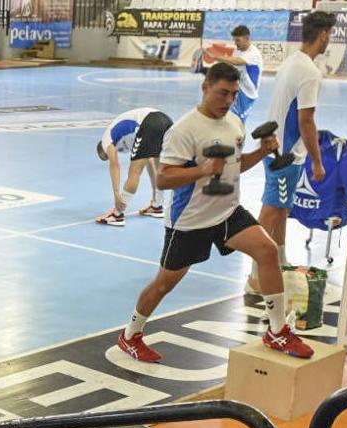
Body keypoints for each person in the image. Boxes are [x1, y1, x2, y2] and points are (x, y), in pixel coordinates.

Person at [117, 63, 314, 363]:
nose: (228, 101)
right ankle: (131, 334)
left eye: (234, 95)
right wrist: (204, 169)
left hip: (227, 212)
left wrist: (260, 153)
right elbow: (164, 179)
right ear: (205, 87)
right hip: (190, 220)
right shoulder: (183, 130)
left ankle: (276, 331)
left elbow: (234, 167)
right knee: (164, 284)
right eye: (222, 93)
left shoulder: (235, 122)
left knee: (267, 251)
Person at [255, 11, 335, 281]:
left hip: (274, 147)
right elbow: (306, 120)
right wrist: (318, 161)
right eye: (329, 35)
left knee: (281, 209)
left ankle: (279, 259)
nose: (329, 40)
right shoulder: (310, 73)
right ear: (323, 35)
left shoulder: (291, 62)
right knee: (272, 210)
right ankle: (256, 273)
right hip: (286, 154)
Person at [94, 107, 173, 226]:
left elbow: (115, 165)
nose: (110, 156)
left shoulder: (106, 140)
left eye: (106, 157)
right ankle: (157, 206)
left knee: (134, 171)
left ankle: (117, 214)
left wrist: (117, 195)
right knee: (158, 166)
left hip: (149, 123)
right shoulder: (128, 137)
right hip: (166, 121)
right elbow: (149, 160)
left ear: (102, 150)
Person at [202, 25, 264, 123]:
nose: (235, 43)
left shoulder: (253, 53)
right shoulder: (237, 50)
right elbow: (231, 64)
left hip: (247, 94)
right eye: (234, 40)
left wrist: (215, 57)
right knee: (227, 118)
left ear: (247, 38)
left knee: (238, 122)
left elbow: (237, 61)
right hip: (237, 90)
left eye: (238, 40)